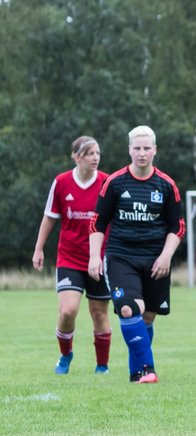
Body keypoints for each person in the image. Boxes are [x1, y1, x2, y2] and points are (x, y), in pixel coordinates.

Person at [88, 125, 185, 384]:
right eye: (137, 148)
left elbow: (178, 227)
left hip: (155, 259)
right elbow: (97, 222)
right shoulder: (115, 182)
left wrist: (166, 256)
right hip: (121, 257)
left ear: (155, 150)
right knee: (130, 309)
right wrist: (95, 256)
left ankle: (136, 374)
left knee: (148, 316)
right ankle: (147, 369)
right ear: (129, 150)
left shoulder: (166, 185)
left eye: (146, 148)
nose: (142, 153)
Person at [32, 136, 113, 374]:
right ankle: (65, 355)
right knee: (68, 311)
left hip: (99, 259)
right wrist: (38, 248)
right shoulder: (62, 182)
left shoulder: (107, 183)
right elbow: (49, 217)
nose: (95, 157)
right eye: (90, 153)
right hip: (69, 258)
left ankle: (102, 366)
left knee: (99, 313)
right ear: (77, 157)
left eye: (97, 153)